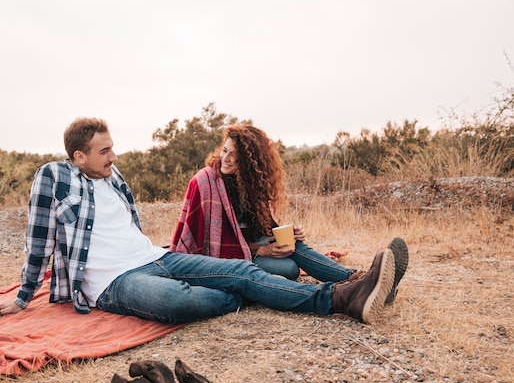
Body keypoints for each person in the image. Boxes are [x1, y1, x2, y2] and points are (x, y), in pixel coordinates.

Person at [0, 117, 397, 325]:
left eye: (113, 148)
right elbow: (39, 243)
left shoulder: (114, 177)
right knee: (180, 301)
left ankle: (343, 296)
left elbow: (130, 226)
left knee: (243, 269)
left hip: (156, 257)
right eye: (105, 151)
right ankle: (262, 292)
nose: (115, 157)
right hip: (112, 282)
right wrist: (22, 299)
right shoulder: (55, 178)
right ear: (78, 156)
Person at [170, 124, 408, 303]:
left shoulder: (251, 183)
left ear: (251, 163)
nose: (226, 158)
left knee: (296, 247)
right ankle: (369, 282)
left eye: (235, 155)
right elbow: (210, 245)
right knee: (289, 269)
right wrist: (262, 250)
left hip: (252, 247)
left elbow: (263, 228)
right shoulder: (204, 182)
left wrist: (289, 234)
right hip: (229, 257)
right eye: (224, 151)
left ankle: (364, 279)